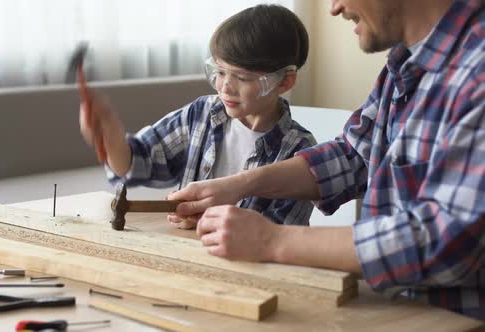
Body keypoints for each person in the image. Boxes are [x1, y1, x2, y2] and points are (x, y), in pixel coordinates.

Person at [168, 0, 485, 320]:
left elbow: (446, 242)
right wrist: (238, 185)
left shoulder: (477, 71)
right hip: (399, 312)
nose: (334, 7)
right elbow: (351, 155)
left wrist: (271, 240)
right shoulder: (406, 61)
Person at [80, 4, 316, 229]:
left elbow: (279, 235)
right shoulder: (201, 115)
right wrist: (110, 133)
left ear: (284, 81)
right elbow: (137, 163)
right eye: (220, 71)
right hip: (185, 254)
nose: (225, 87)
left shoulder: (299, 153)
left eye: (242, 78)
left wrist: (210, 220)